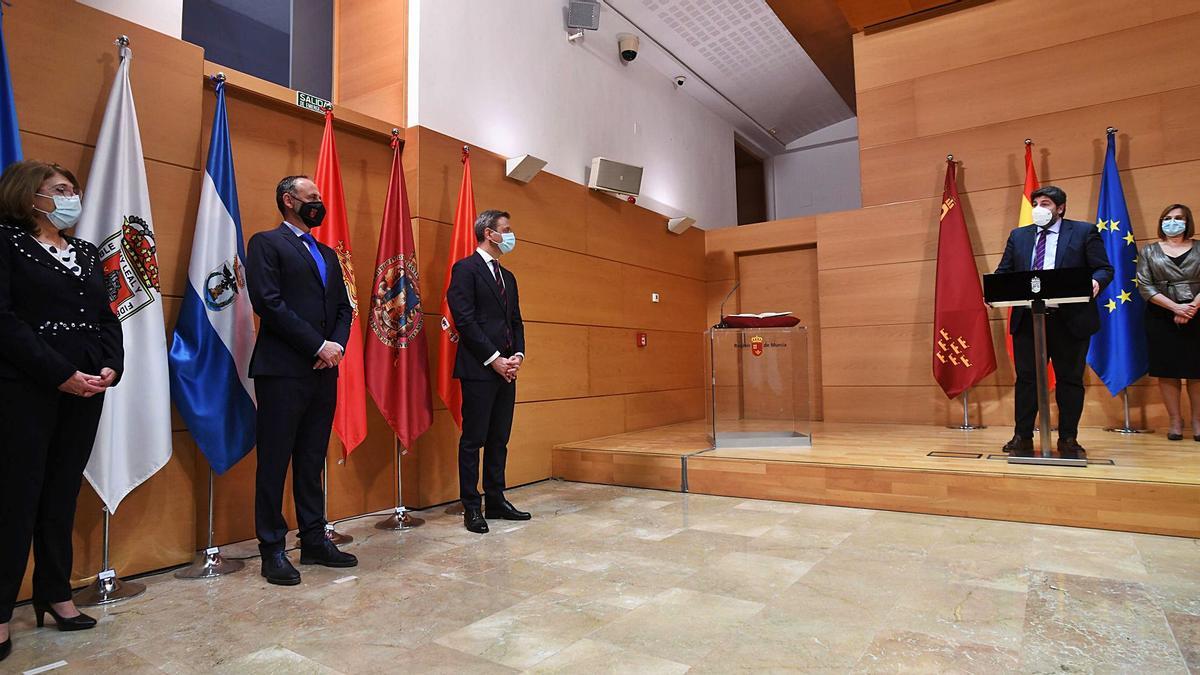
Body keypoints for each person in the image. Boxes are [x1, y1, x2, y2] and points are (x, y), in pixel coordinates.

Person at [0, 161, 124, 661]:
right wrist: (59, 373)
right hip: (27, 388)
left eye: (72, 189)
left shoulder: (88, 253)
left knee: (61, 495)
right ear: (30, 196)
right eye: (59, 189)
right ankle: (2, 612)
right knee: (16, 497)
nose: (71, 196)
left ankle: (56, 594)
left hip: (87, 390)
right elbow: (4, 320)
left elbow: (105, 316)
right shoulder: (7, 243)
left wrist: (111, 366)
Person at [245, 175, 356, 586]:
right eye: (312, 198)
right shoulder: (266, 243)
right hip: (283, 370)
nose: (319, 204)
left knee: (312, 460)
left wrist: (336, 347)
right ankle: (272, 549)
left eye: (321, 198)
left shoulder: (327, 253)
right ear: (289, 201)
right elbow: (268, 303)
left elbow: (345, 308)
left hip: (325, 370)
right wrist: (317, 346)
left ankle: (314, 539)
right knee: (274, 462)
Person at [994, 185, 1113, 457]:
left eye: (1045, 203)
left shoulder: (1083, 231)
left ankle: (1068, 439)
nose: (1039, 209)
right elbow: (1005, 272)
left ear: (1060, 208)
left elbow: (1104, 268)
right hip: (1029, 319)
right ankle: (1022, 437)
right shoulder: (1019, 236)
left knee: (1069, 379)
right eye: (1035, 203)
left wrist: (1095, 283)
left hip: (1070, 319)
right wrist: (995, 291)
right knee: (1027, 380)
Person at [447, 209, 530, 533]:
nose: (510, 235)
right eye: (506, 229)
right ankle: (472, 506)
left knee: (499, 438)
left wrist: (517, 356)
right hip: (479, 368)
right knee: (473, 440)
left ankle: (496, 500)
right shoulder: (465, 269)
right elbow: (464, 320)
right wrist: (494, 358)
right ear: (489, 233)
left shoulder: (508, 277)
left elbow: (516, 322)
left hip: (507, 370)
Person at [1136, 204, 1200, 441]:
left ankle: (1197, 421)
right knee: (1168, 369)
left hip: (1197, 313)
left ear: (1187, 221)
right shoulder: (1149, 251)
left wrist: (1191, 307)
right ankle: (1175, 420)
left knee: (1196, 371)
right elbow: (1145, 285)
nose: (1172, 222)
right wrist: (1175, 307)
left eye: (1178, 218)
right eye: (1167, 218)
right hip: (1161, 314)